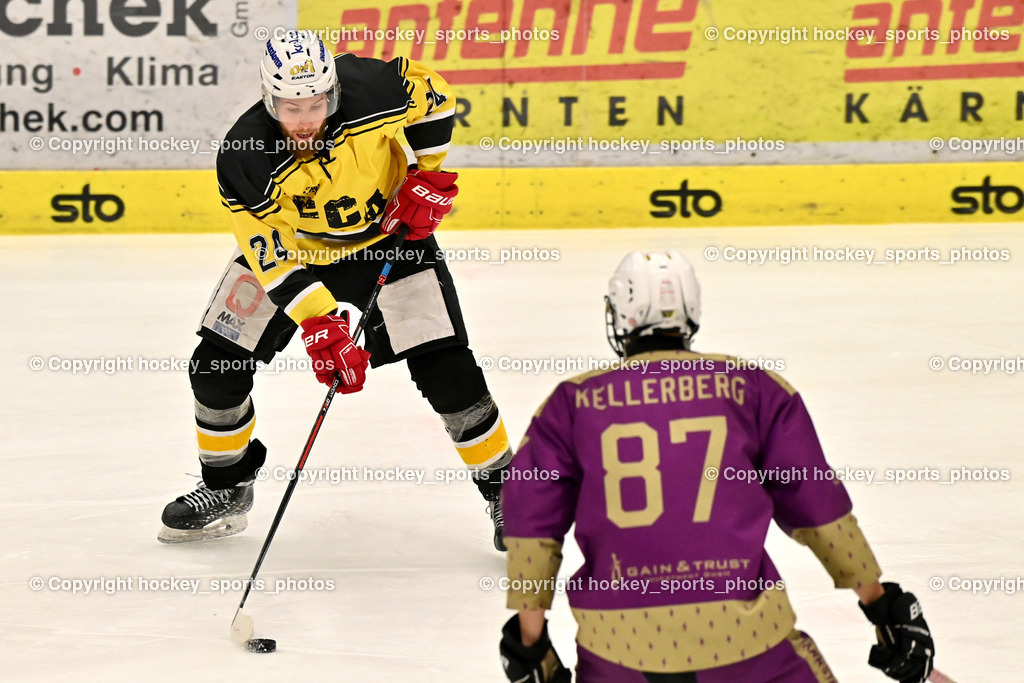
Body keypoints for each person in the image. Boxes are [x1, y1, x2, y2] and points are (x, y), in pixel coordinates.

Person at [498, 251, 935, 682]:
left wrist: (529, 643)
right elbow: (816, 503)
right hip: (745, 639)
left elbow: (531, 523)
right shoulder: (754, 388)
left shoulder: (571, 404)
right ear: (693, 311)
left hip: (618, 646)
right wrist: (880, 605)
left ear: (622, 316)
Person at [157, 30, 512, 551]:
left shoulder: (374, 91)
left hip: (392, 237)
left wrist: (425, 177)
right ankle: (227, 487)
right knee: (215, 367)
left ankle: (509, 494)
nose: (303, 120)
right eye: (288, 106)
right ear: (267, 98)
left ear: (335, 94)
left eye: (315, 103)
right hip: (295, 253)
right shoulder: (245, 156)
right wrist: (321, 322)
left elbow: (435, 97)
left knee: (448, 369)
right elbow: (270, 255)